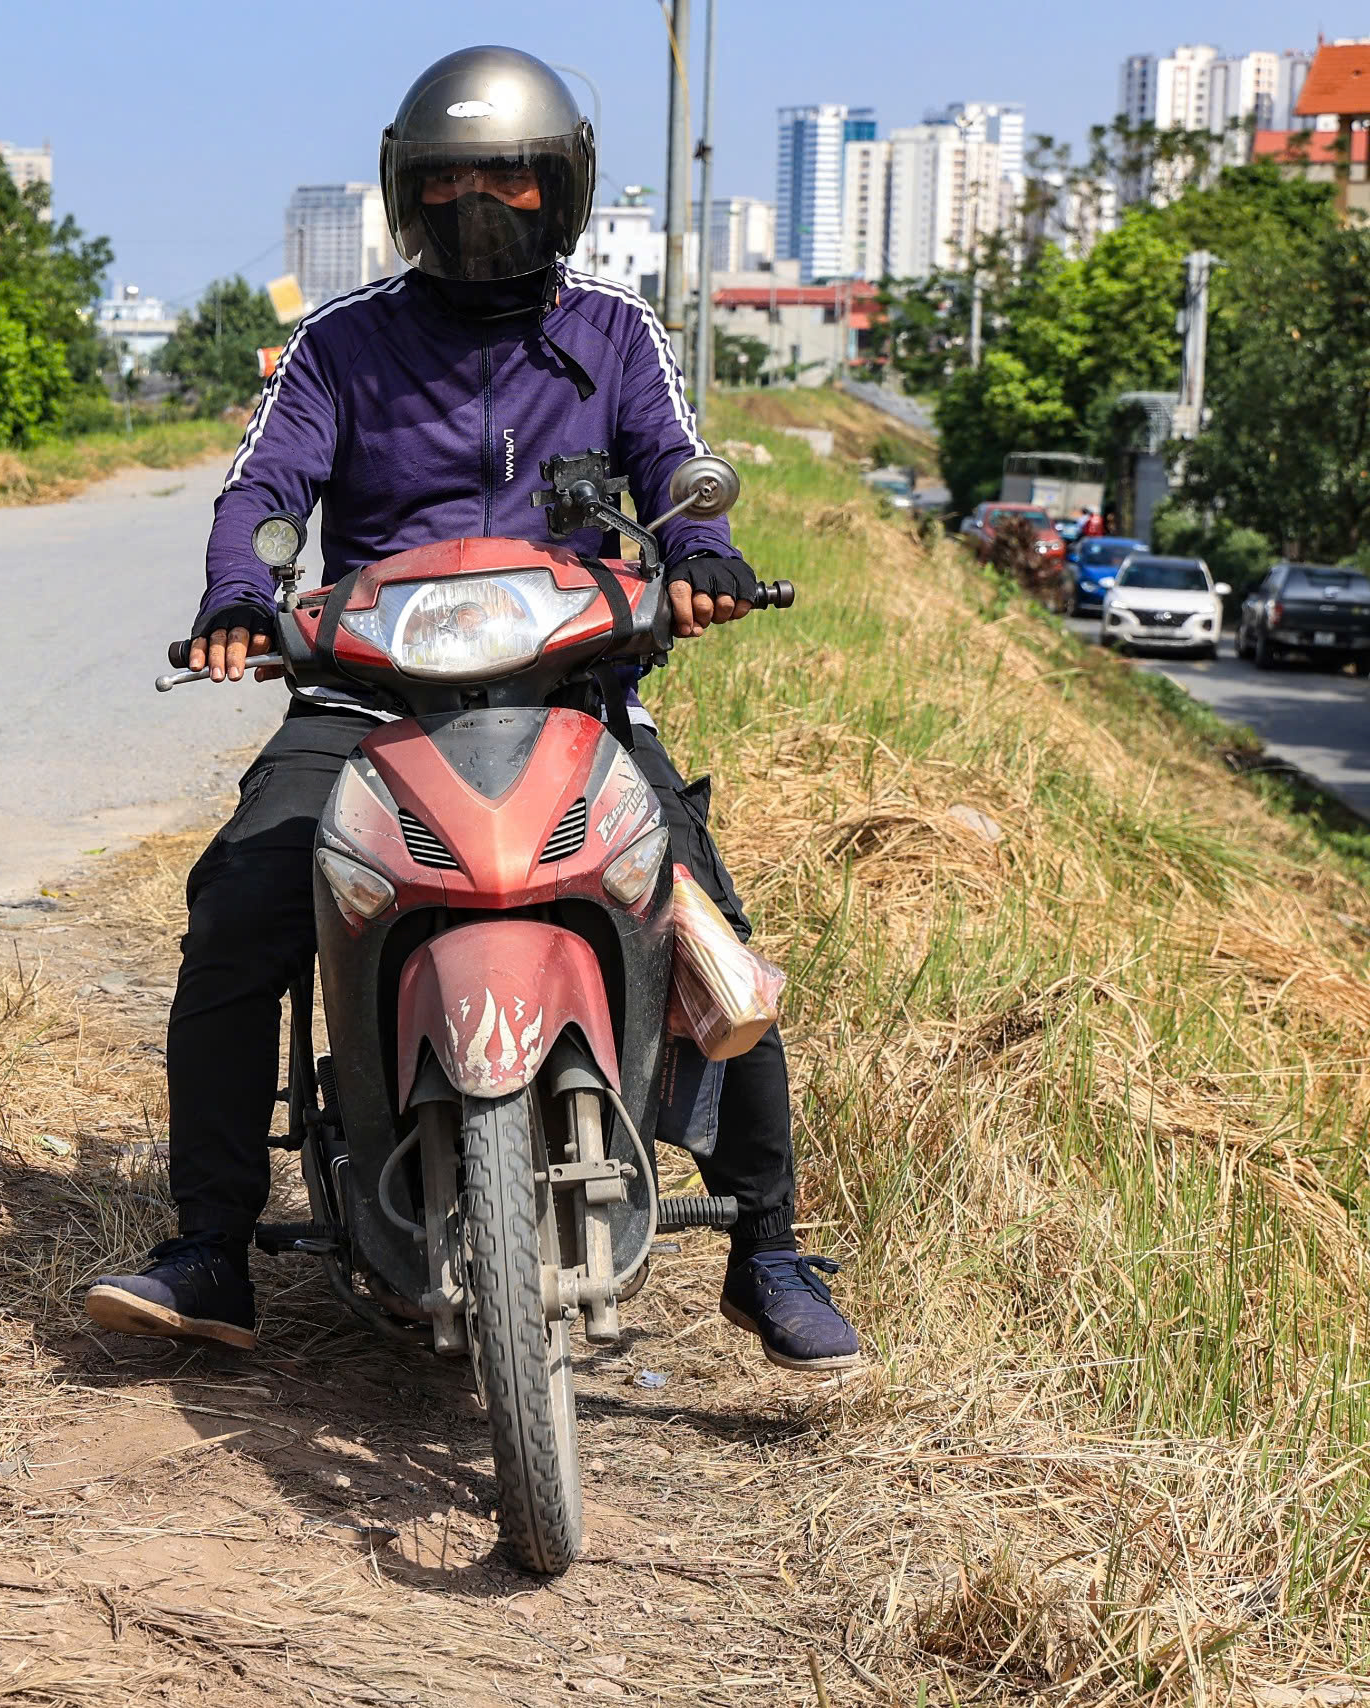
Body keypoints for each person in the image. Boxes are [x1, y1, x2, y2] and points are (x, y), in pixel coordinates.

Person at [83, 45, 861, 1373]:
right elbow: (261, 491)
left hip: (575, 695)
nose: (478, 203)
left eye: (510, 176)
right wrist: (239, 594)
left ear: (563, 187)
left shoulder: (615, 334)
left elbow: (676, 468)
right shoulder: (339, 345)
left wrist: (701, 557)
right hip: (364, 704)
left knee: (703, 926)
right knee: (240, 909)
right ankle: (210, 1245)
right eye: (448, 181)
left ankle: (769, 1246)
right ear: (406, 191)